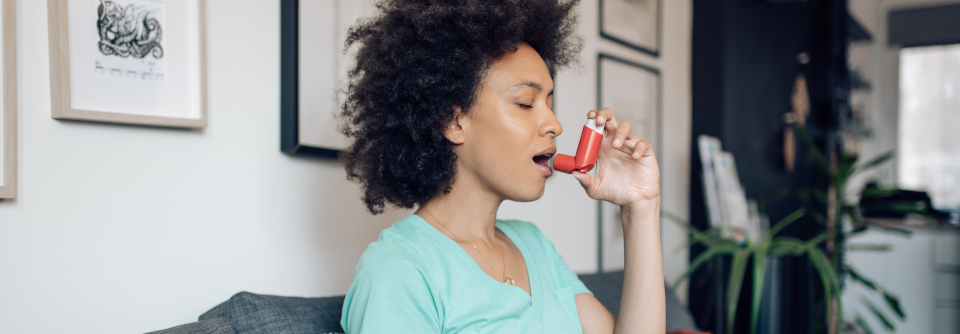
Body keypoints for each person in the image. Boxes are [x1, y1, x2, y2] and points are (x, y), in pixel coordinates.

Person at [337, 0, 665, 333]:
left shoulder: (533, 245)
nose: (554, 124)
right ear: (452, 121)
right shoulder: (400, 269)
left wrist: (641, 206)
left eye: (550, 103)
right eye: (525, 103)